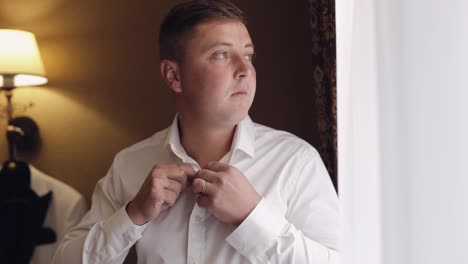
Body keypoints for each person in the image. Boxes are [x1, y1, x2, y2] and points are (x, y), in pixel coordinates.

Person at [53, 0, 340, 263]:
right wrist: (133, 215)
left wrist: (252, 217)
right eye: (222, 55)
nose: (244, 70)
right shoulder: (130, 165)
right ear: (174, 76)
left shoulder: (295, 162)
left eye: (249, 56)